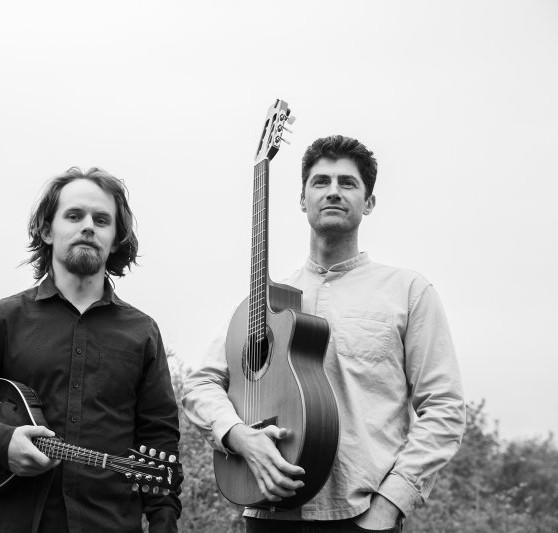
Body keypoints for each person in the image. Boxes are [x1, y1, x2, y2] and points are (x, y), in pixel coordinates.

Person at [182, 135, 465, 532]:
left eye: (347, 183)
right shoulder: (266, 300)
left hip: (360, 516)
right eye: (321, 182)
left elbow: (445, 408)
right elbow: (201, 385)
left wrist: (390, 503)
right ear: (302, 199)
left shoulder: (407, 292)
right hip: (266, 512)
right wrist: (238, 436)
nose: (333, 191)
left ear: (368, 202)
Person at [0, 167, 181, 533]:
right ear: (48, 230)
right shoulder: (3, 319)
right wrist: (0, 441)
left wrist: (164, 520)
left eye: (102, 220)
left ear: (116, 238)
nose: (88, 226)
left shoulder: (142, 333)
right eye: (74, 216)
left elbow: (160, 440)